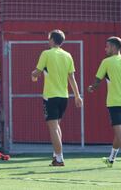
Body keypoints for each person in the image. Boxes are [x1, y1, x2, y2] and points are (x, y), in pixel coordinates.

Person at [31, 29, 82, 166]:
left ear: (52, 40)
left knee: (53, 127)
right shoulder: (68, 55)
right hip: (64, 97)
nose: (48, 41)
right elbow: (72, 78)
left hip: (51, 96)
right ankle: (56, 155)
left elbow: (37, 71)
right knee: (57, 126)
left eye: (49, 38)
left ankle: (59, 158)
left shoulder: (46, 53)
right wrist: (77, 96)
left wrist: (33, 75)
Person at [88, 36, 121, 169]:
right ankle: (111, 159)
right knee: (119, 132)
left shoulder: (106, 62)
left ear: (114, 47)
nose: (105, 48)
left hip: (114, 102)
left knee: (119, 132)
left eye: (107, 46)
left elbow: (98, 80)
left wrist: (91, 87)